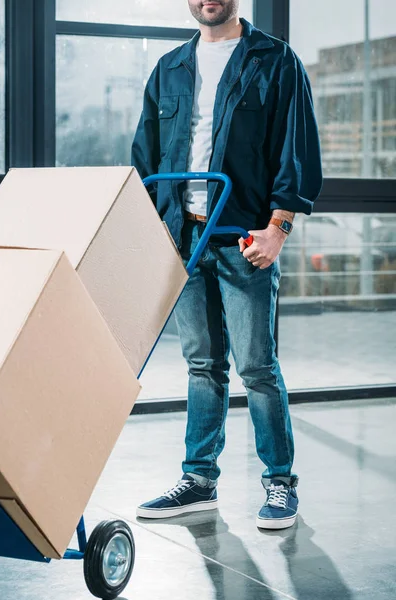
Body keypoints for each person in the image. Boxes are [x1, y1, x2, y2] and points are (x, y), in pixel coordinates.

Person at [131, 0, 322, 530]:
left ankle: (279, 483)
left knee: (257, 367)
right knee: (201, 365)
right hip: (182, 239)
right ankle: (198, 481)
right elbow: (145, 156)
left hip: (243, 236)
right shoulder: (169, 66)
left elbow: (296, 149)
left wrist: (278, 227)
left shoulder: (275, 61)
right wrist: (152, 234)